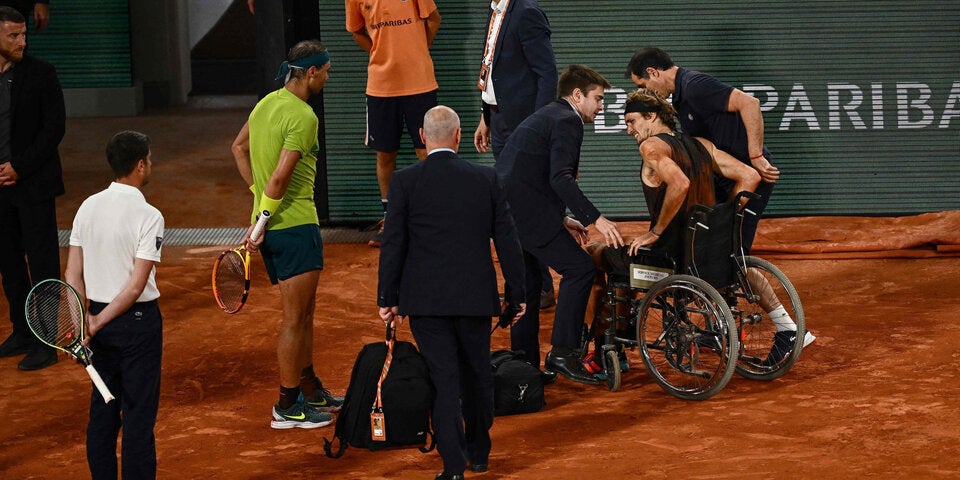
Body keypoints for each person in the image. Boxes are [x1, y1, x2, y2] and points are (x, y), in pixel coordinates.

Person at [378, 105, 526, 480]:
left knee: (444, 379)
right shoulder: (486, 179)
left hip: (426, 302)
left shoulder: (405, 182)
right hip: (474, 298)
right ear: (459, 137)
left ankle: (453, 467)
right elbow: (508, 241)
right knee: (477, 373)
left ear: (423, 138)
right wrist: (517, 292)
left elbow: (393, 243)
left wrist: (387, 297)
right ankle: (479, 453)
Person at [231, 39, 343, 429]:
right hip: (293, 227)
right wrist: (262, 218)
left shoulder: (266, 103)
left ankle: (310, 388)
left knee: (305, 314)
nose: (328, 78)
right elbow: (280, 176)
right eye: (326, 71)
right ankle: (286, 405)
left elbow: (238, 148)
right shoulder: (303, 116)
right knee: (295, 319)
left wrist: (257, 199)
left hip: (279, 226)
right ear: (311, 73)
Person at [495, 64, 624, 385]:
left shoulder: (548, 115)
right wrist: (595, 218)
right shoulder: (568, 120)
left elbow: (530, 174)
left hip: (507, 214)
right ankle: (563, 352)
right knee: (579, 268)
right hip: (526, 214)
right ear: (577, 95)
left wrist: (563, 218)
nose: (600, 106)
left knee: (525, 289)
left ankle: (524, 367)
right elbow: (560, 178)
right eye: (597, 99)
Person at [65, 130, 164, 480]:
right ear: (140, 165)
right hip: (137, 325)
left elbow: (72, 274)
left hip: (97, 324)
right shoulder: (149, 215)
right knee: (138, 419)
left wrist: (84, 323)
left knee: (103, 416)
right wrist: (96, 322)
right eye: (149, 159)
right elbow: (136, 285)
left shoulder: (87, 207)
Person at [625, 47, 780, 254]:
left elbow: (750, 103)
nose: (645, 91)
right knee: (710, 248)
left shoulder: (693, 85)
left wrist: (756, 156)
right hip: (727, 174)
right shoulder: (681, 95)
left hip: (746, 175)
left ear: (653, 72)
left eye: (643, 84)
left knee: (733, 252)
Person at [472, 0, 558, 310]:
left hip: (523, 125)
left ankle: (538, 288)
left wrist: (539, 127)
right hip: (500, 120)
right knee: (511, 203)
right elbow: (493, 66)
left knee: (524, 203)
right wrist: (487, 116)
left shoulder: (526, 12)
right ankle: (528, 285)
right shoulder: (496, 10)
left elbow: (547, 74)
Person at [345, 0, 441, 247]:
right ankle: (390, 220)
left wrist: (418, 51)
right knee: (385, 155)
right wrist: (381, 53)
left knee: (426, 151)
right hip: (381, 86)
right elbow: (356, 31)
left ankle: (430, 217)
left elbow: (433, 19)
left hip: (420, 83)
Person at [0, 6, 63, 371]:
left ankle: (47, 340)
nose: (22, 41)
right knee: (8, 265)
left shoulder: (42, 74)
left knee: (43, 265)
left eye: (24, 35)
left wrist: (19, 168)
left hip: (33, 186)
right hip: (0, 190)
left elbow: (54, 129)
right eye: (13, 36)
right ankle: (22, 332)